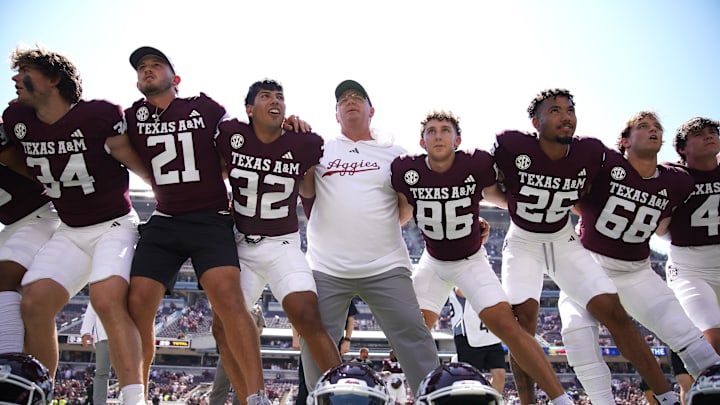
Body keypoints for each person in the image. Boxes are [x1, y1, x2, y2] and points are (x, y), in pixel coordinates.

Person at [490, 89, 679, 404]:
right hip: (523, 241)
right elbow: (486, 186)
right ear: (535, 121)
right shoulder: (512, 144)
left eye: (570, 109)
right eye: (555, 110)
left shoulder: (590, 152)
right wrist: (510, 201)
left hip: (563, 240)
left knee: (615, 313)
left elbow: (591, 194)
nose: (565, 116)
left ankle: (667, 395)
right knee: (523, 327)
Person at [0, 46, 149, 404]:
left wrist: (168, 202)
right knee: (34, 301)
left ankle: (134, 398)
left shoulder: (98, 115)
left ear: (53, 79)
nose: (15, 79)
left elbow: (136, 163)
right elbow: (20, 162)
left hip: (114, 224)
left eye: (25, 72)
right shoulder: (18, 119)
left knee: (107, 299)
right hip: (69, 228)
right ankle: (37, 393)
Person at [391, 110, 572, 404]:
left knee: (509, 327)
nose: (438, 135)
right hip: (432, 262)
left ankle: (560, 399)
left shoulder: (474, 163)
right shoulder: (407, 170)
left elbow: (501, 198)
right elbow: (399, 215)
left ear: (457, 138)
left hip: (470, 261)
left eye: (445, 130)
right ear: (422, 141)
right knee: (409, 335)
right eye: (432, 131)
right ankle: (422, 398)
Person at [123, 46, 267, 405]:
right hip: (165, 218)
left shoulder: (204, 108)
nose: (148, 70)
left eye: (156, 65)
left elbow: (239, 146)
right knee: (138, 302)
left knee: (230, 302)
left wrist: (287, 123)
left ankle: (256, 396)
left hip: (210, 217)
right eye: (142, 67)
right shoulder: (130, 116)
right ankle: (135, 396)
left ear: (177, 78)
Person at [557, 110, 720, 405]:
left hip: (635, 270)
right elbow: (572, 197)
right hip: (587, 264)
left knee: (686, 335)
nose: (653, 130)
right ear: (624, 140)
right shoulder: (604, 162)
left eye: (657, 127)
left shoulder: (678, 180)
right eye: (643, 126)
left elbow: (664, 227)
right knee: (577, 335)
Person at [300, 79, 440, 395]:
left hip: (385, 265)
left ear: (371, 109)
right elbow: (306, 190)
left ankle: (430, 396)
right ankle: (321, 399)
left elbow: (405, 212)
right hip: (327, 267)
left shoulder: (395, 153)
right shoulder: (320, 148)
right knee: (316, 337)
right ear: (336, 114)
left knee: (413, 335)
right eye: (343, 99)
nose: (350, 101)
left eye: (358, 97)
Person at [213, 79, 341, 397]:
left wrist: (303, 158)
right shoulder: (232, 135)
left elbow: (309, 190)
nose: (275, 101)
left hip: (282, 244)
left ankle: (342, 394)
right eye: (266, 96)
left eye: (280, 97)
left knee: (308, 316)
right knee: (221, 327)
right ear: (249, 108)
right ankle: (250, 398)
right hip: (241, 245)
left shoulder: (304, 142)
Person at [0, 122, 59, 354]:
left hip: (42, 213)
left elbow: (42, 175)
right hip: (12, 225)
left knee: (5, 278)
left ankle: (10, 368)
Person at [665, 117, 720, 354]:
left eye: (712, 131)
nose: (709, 136)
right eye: (699, 134)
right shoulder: (674, 175)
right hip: (691, 268)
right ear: (681, 148)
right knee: (714, 337)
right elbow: (660, 229)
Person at [294, 299, 357, 405]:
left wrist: (347, 339)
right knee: (304, 386)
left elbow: (350, 318)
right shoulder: (310, 287)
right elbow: (296, 313)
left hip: (333, 341)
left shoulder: (339, 289)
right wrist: (295, 337)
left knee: (331, 383)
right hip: (309, 339)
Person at [448, 287, 506, 395]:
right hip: (468, 335)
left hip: (490, 334)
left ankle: (492, 401)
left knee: (500, 374)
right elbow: (461, 290)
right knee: (471, 380)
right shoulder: (459, 275)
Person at [209, 303, 265, 405]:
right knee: (220, 385)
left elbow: (260, 330)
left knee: (242, 389)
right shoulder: (227, 301)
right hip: (228, 351)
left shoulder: (256, 308)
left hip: (246, 354)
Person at [80, 303, 112, 405]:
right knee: (101, 372)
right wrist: (86, 331)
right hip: (103, 336)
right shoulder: (99, 287)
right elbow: (93, 306)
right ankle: (99, 403)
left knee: (129, 371)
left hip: (126, 334)